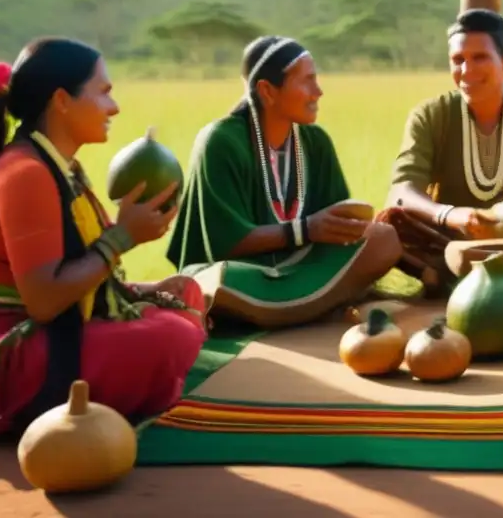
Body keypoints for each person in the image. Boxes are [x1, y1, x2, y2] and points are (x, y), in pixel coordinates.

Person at [0, 39, 207, 442]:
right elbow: (44, 301)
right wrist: (122, 237)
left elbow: (77, 272)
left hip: (51, 323)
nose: (114, 108)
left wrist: (140, 289)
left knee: (185, 293)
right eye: (104, 92)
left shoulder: (59, 167)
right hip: (9, 352)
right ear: (62, 100)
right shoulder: (25, 173)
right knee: (169, 339)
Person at [167, 36, 403, 330]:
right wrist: (304, 229)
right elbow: (224, 242)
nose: (318, 92)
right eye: (307, 81)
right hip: (244, 275)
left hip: (303, 270)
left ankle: (279, 311)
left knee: (384, 239)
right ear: (267, 90)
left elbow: (336, 236)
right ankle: (316, 305)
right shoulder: (221, 141)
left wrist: (349, 226)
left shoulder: (315, 142)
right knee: (215, 283)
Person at [381, 9, 503, 292]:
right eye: (458, 60)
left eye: (479, 58)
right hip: (454, 246)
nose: (466, 71)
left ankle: (463, 284)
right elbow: (400, 193)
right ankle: (443, 276)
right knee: (386, 227)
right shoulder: (431, 115)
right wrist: (450, 215)